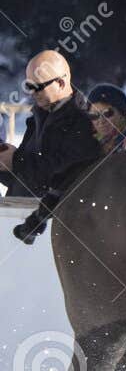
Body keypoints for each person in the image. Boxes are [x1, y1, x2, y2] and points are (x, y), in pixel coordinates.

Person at [1, 50, 101, 243]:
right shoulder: (38, 117)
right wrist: (5, 166)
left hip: (56, 232)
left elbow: (61, 177)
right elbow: (24, 178)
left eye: (36, 87)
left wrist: (16, 161)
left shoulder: (85, 122)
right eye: (28, 86)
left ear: (61, 83)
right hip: (20, 225)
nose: (31, 93)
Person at [86, 83, 126, 154]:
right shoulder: (89, 144)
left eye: (107, 113)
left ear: (121, 114)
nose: (101, 121)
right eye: (94, 115)